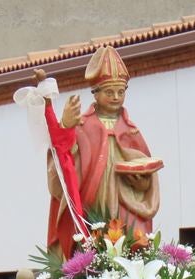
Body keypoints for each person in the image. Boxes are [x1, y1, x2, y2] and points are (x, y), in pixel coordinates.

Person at [48, 45, 161, 258]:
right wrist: (65, 127)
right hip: (92, 204)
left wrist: (143, 182)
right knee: (90, 248)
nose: (116, 97)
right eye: (109, 92)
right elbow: (63, 164)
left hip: (126, 203)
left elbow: (147, 174)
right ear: (96, 93)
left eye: (121, 91)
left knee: (132, 246)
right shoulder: (82, 125)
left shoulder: (131, 130)